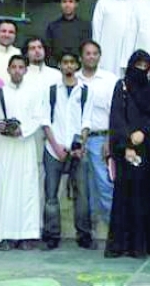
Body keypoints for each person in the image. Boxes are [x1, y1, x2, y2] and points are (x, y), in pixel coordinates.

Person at [105, 50, 150, 258]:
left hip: (149, 151)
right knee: (126, 197)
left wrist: (144, 132)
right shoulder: (121, 86)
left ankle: (148, 245)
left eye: (145, 66)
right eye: (138, 66)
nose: (141, 70)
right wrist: (126, 144)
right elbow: (116, 117)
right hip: (127, 151)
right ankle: (123, 245)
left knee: (148, 197)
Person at [0, 54, 46, 250]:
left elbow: (38, 118)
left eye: (21, 67)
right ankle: (3, 236)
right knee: (4, 189)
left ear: (26, 70)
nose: (17, 70)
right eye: (14, 67)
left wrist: (22, 130)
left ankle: (26, 235)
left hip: (25, 146)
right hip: (4, 148)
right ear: (8, 70)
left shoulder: (34, 92)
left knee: (26, 190)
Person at [42, 51, 92, 250]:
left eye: (72, 62)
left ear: (77, 65)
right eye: (65, 62)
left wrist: (81, 146)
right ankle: (52, 235)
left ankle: (84, 235)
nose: (69, 66)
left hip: (77, 150)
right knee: (51, 196)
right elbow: (45, 121)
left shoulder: (85, 91)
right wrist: (56, 146)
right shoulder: (52, 90)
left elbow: (86, 121)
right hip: (53, 149)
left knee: (82, 195)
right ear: (60, 66)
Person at [78, 39, 118, 237]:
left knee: (105, 185)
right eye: (87, 53)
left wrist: (109, 141)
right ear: (81, 57)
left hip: (101, 139)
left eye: (95, 53)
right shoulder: (74, 79)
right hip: (79, 141)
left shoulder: (109, 79)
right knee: (84, 188)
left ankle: (116, 232)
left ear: (99, 56)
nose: (91, 56)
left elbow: (116, 113)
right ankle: (88, 232)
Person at [92, 0, 141, 76]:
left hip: (131, 51)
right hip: (108, 52)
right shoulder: (103, 3)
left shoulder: (138, 3)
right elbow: (96, 31)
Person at [45, 0, 92, 67]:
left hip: (79, 69)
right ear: (60, 4)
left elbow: (87, 49)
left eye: (70, 2)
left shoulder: (85, 26)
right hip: (57, 69)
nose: (67, 5)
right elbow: (48, 51)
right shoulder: (52, 26)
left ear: (76, 4)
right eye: (64, 2)